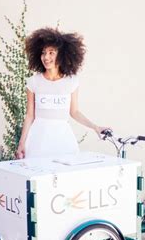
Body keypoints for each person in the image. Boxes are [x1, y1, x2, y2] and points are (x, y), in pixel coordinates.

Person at [16, 28, 110, 159]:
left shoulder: (71, 82)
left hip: (62, 138)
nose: (46, 57)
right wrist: (21, 144)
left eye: (51, 53)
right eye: (43, 53)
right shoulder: (33, 82)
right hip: (39, 138)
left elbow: (74, 112)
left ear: (61, 55)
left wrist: (96, 127)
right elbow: (30, 116)